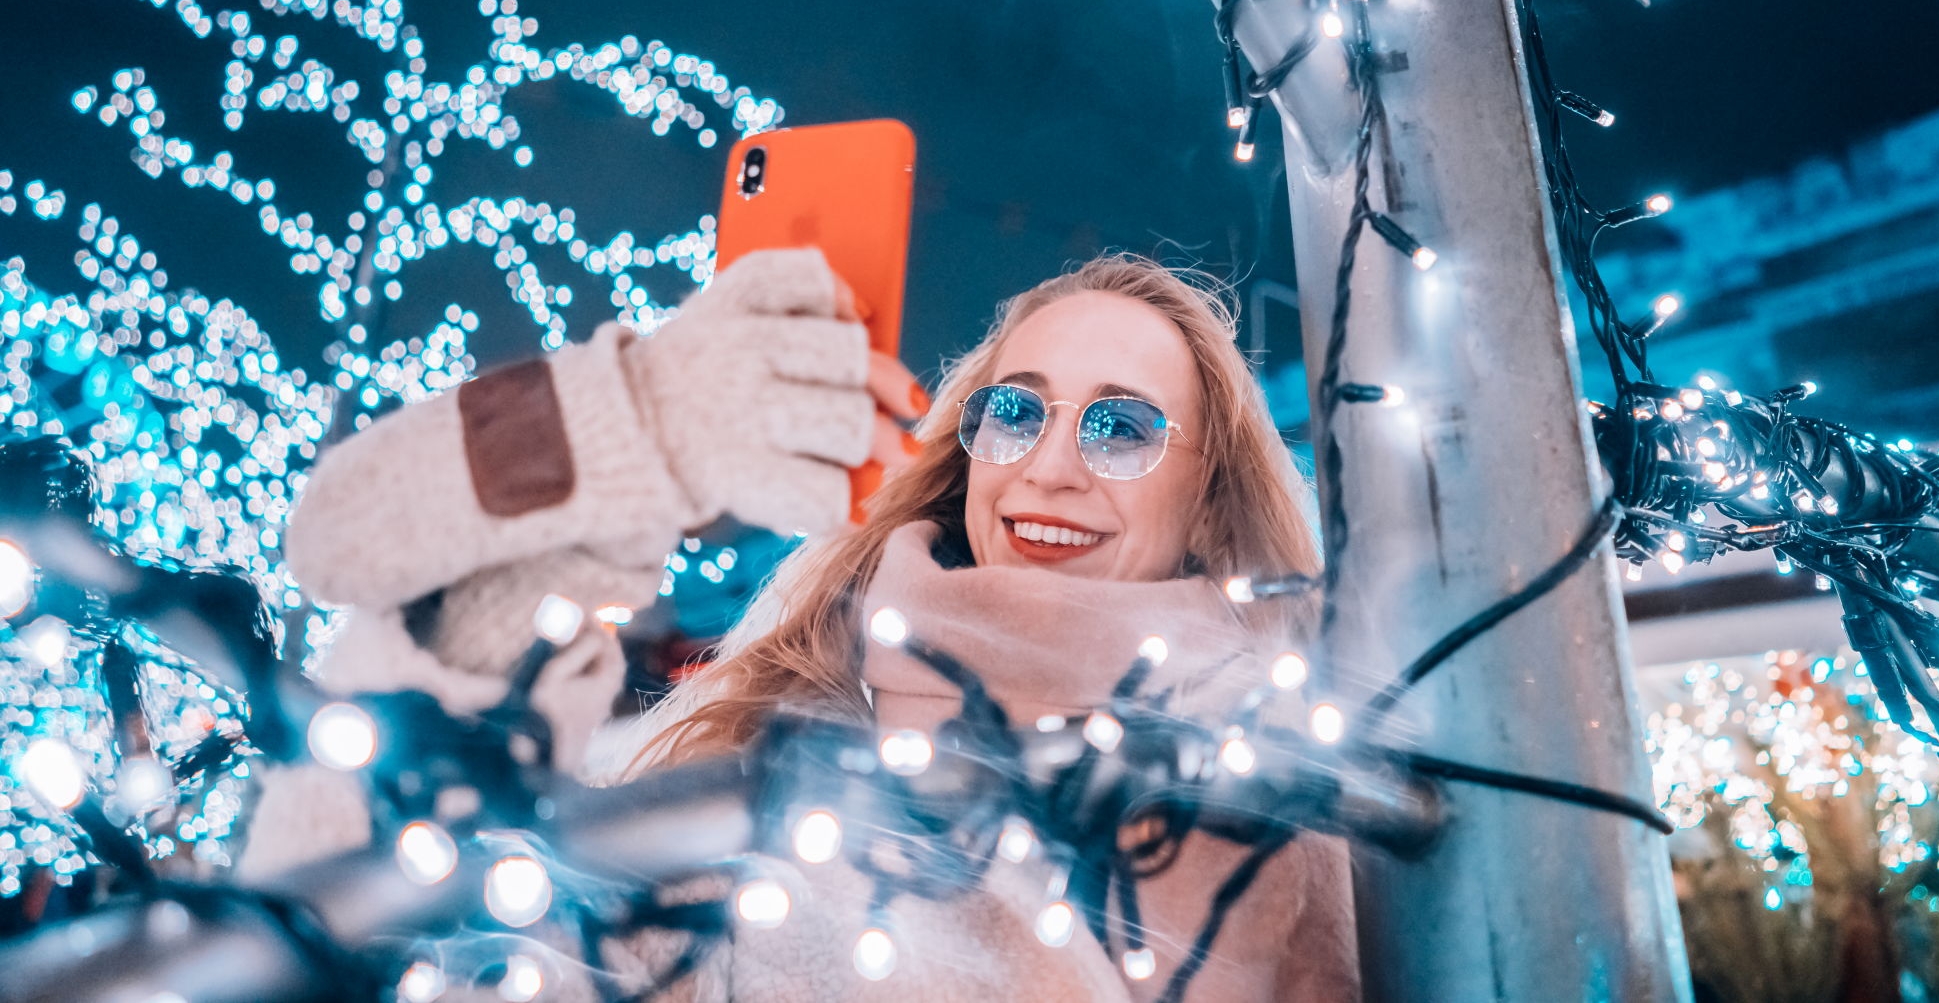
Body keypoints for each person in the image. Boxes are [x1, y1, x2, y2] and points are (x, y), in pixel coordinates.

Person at [244, 249, 1358, 1002]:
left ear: (1206, 498)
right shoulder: (763, 748)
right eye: (1013, 411)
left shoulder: (1294, 804)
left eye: (1122, 429)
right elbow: (395, 940)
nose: (1050, 467)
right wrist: (614, 432)